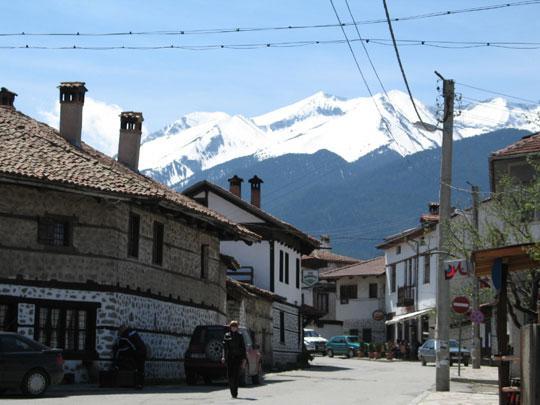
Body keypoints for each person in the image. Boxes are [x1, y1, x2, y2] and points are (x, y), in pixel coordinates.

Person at [222, 320, 247, 399]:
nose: (233, 328)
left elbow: (243, 348)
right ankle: (232, 391)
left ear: (237, 328)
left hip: (237, 358)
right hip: (229, 358)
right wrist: (223, 357)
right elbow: (224, 348)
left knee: (236, 376)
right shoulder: (227, 335)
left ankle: (235, 392)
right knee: (230, 376)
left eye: (235, 326)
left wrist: (244, 359)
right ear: (230, 327)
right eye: (232, 326)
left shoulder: (240, 335)